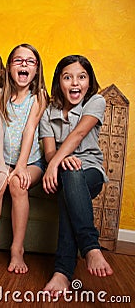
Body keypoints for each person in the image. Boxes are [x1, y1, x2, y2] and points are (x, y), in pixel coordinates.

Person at [0, 44, 49, 274]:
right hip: (4, 160)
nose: (24, 65)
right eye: (18, 61)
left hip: (31, 162)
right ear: (8, 68)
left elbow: (29, 130)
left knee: (17, 183)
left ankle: (17, 249)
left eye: (30, 61)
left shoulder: (38, 97)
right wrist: (1, 164)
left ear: (36, 69)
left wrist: (22, 166)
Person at [40, 55, 113, 296]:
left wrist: (55, 165)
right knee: (70, 174)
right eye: (67, 77)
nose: (75, 83)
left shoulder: (96, 101)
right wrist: (56, 163)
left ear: (89, 81)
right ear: (58, 81)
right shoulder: (49, 111)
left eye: (82, 77)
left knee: (74, 174)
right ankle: (88, 251)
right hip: (64, 171)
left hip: (90, 170)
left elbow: (79, 134)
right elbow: (49, 151)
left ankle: (66, 267)